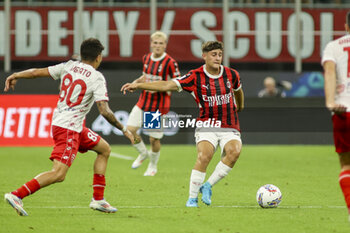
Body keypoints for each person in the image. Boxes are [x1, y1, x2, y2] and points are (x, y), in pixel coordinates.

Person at [3, 38, 134, 216]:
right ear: (98, 57)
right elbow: (104, 110)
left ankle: (98, 200)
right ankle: (17, 195)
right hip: (68, 129)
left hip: (69, 125)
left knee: (104, 149)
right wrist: (124, 129)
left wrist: (16, 74)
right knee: (58, 174)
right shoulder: (96, 77)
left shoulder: (69, 66)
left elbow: (35, 73)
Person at [121, 41, 244, 207]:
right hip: (206, 125)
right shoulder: (195, 76)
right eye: (214, 54)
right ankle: (192, 198)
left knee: (234, 152)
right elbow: (167, 84)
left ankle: (207, 185)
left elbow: (238, 91)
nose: (217, 58)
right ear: (204, 56)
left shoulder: (231, 74)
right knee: (204, 156)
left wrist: (240, 106)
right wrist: (139, 85)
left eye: (220, 55)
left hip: (229, 126)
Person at [126, 31, 180, 176]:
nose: (157, 46)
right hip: (143, 101)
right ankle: (143, 154)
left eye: (160, 43)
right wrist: (135, 83)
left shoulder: (170, 62)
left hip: (157, 106)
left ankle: (153, 165)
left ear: (165, 45)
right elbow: (146, 76)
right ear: (151, 44)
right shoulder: (146, 58)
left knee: (153, 139)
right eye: (155, 43)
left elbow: (177, 82)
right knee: (130, 130)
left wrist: (168, 88)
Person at [322, 11, 350, 221]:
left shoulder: (334, 46)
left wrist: (331, 102)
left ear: (346, 26)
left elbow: (330, 72)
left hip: (343, 110)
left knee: (346, 165)